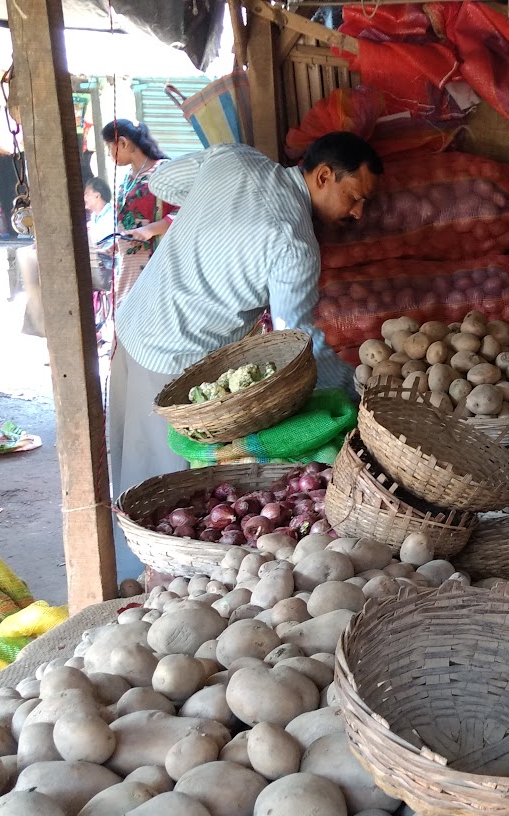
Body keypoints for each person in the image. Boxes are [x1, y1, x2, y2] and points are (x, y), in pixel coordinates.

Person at [107, 133, 381, 579]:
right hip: (178, 366)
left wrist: (208, 203)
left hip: (133, 327)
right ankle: (156, 589)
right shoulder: (294, 243)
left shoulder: (232, 160)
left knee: (129, 465)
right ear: (324, 176)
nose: (358, 212)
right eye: (354, 197)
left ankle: (137, 576)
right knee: (169, 492)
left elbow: (162, 184)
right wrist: (352, 392)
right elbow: (299, 343)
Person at [101, 120, 175, 307]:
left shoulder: (164, 171)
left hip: (158, 265)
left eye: (110, 146)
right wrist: (118, 244)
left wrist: (150, 230)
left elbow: (187, 211)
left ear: (123, 143)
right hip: (128, 267)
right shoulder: (127, 178)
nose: (110, 154)